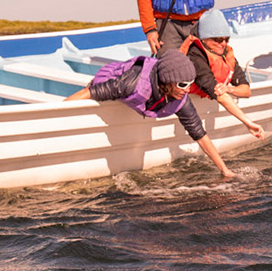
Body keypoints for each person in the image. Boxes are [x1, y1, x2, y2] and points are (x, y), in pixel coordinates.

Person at [65, 51, 261, 181]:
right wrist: (60, 112)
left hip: (147, 92)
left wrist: (225, 170)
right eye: (182, 85)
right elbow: (88, 92)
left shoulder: (179, 96)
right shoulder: (130, 84)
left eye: (190, 84)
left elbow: (199, 134)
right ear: (167, 81)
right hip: (110, 79)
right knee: (95, 91)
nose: (187, 90)